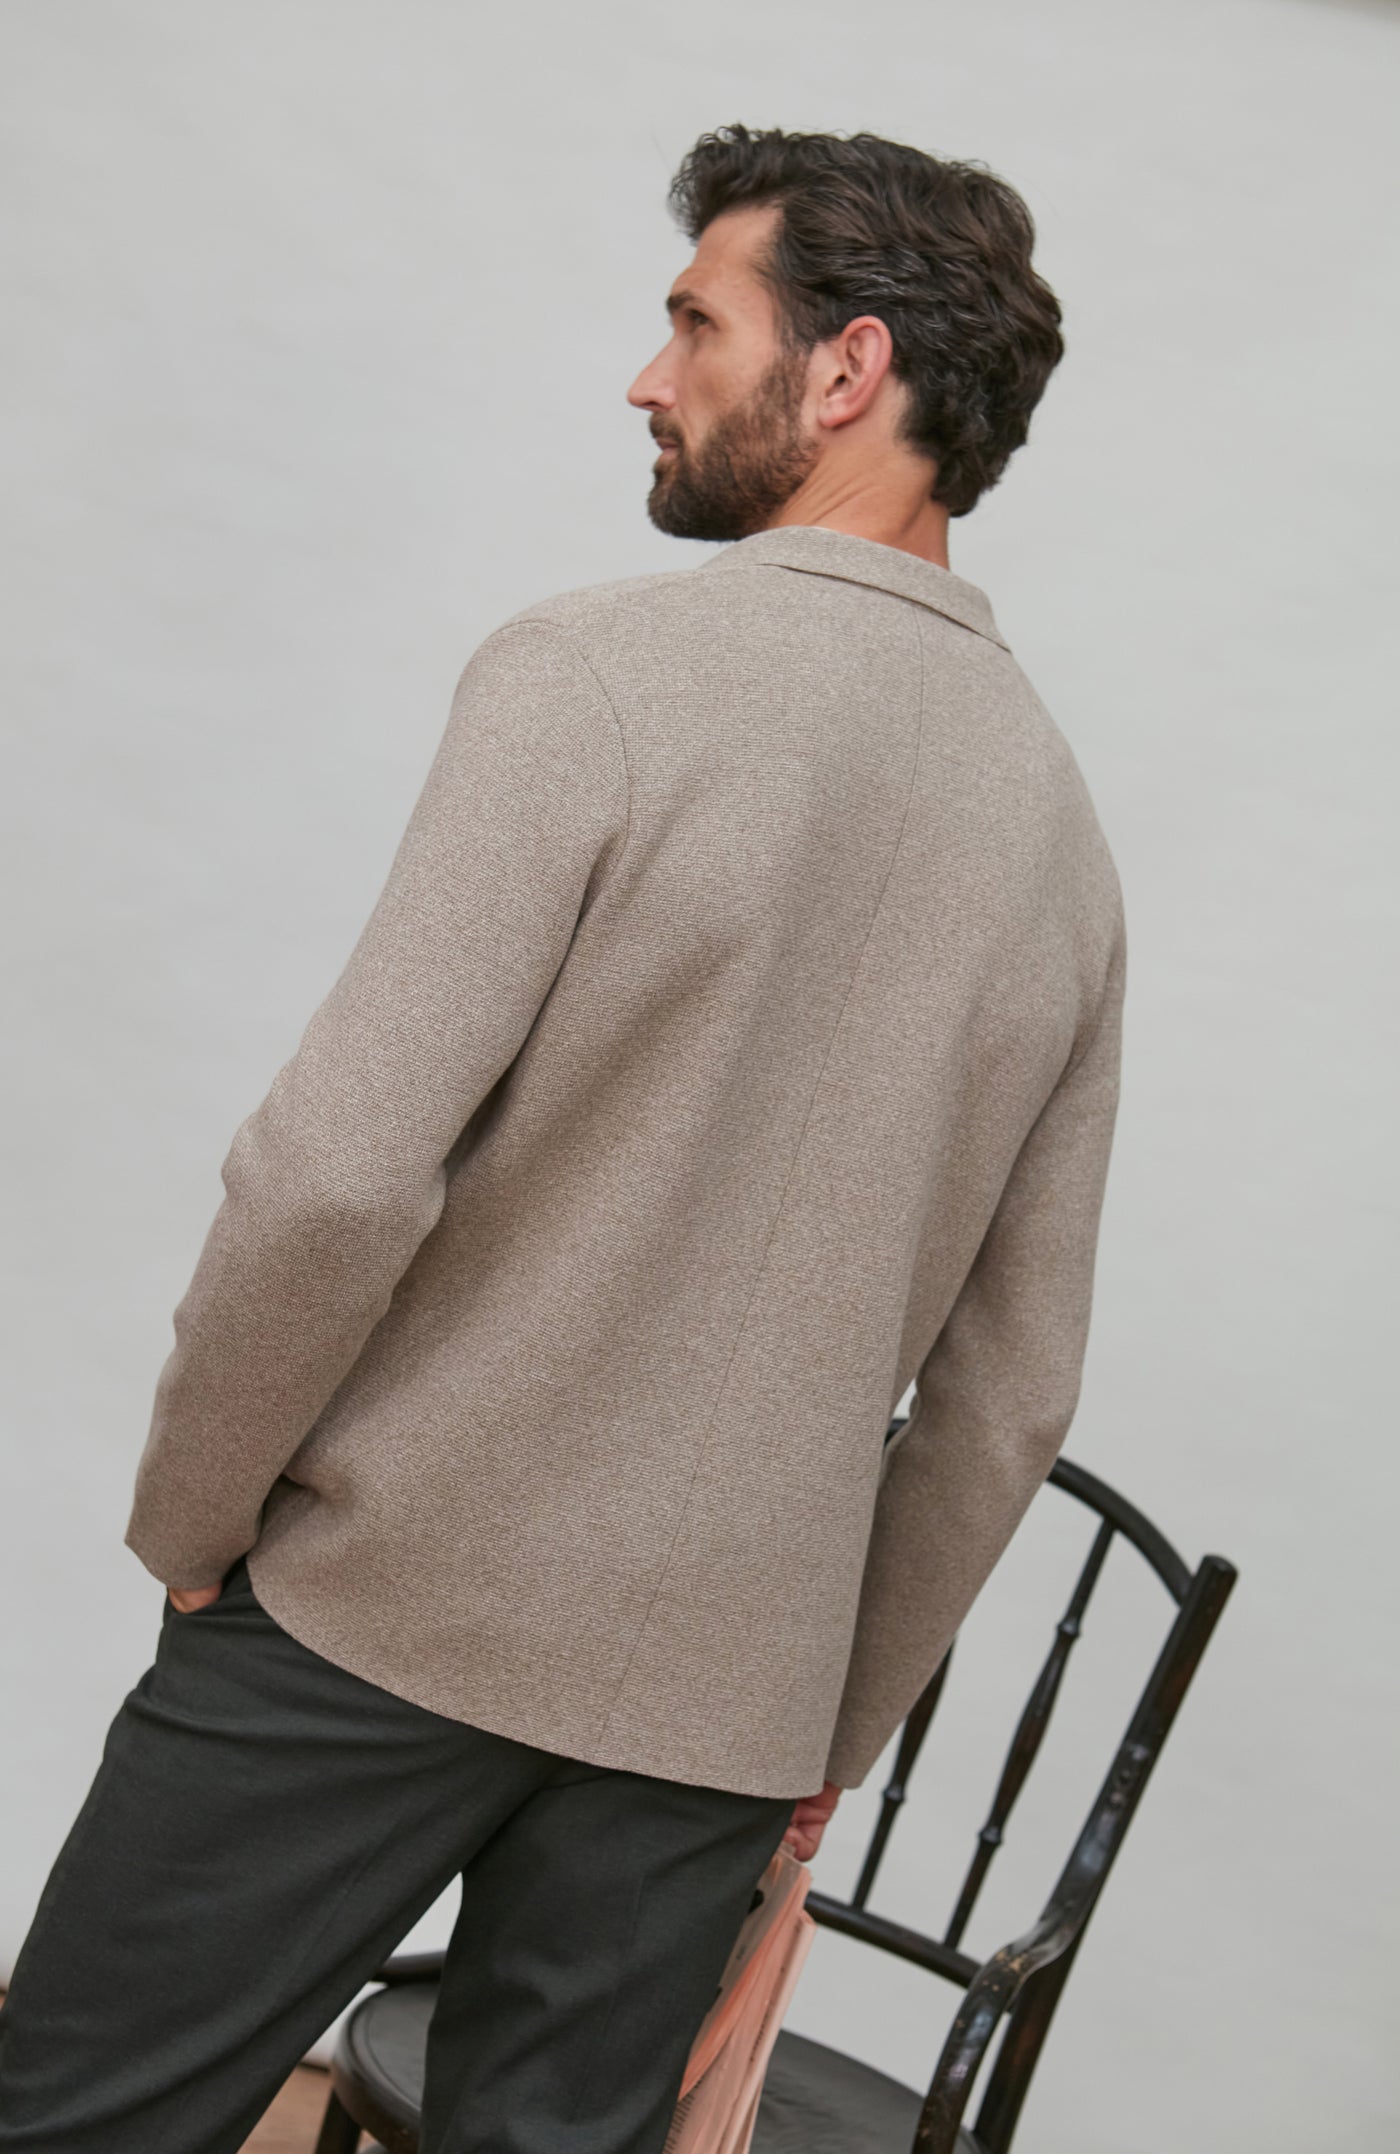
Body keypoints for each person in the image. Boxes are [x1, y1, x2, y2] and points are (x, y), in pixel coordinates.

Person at [0, 122, 1125, 2154]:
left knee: (74, 2113)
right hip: (716, 1711)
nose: (647, 373)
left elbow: (334, 1175)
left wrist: (198, 1520)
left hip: (381, 1606)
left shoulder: (594, 677)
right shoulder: (1062, 846)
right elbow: (1004, 1399)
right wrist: (818, 1718)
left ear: (848, 370)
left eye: (696, 320)